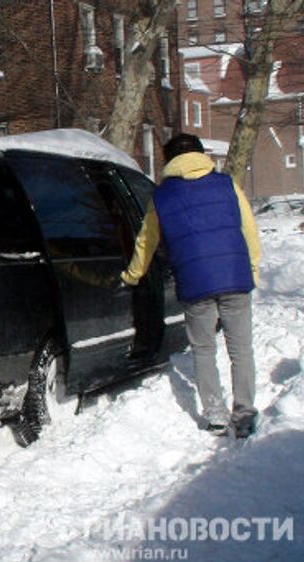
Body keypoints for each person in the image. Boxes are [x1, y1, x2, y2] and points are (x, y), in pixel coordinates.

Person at [120, 133, 261, 439]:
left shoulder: (162, 197)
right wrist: (252, 268)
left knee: (204, 349)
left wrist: (132, 275)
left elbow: (147, 242)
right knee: (240, 349)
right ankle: (245, 412)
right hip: (235, 277)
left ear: (169, 160)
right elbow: (248, 227)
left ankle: (215, 415)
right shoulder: (226, 184)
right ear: (201, 155)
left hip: (195, 283)